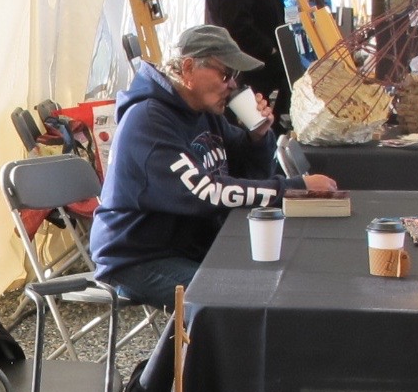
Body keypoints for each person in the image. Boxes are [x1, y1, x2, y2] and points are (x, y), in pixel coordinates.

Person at [90, 25, 336, 306]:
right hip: (136, 258)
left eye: (235, 76)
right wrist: (293, 188)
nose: (233, 85)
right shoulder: (148, 120)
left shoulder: (204, 112)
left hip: (187, 245)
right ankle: (190, 350)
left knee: (278, 273)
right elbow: (208, 192)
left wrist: (257, 137)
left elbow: (245, 172)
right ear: (188, 68)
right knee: (234, 298)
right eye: (225, 74)